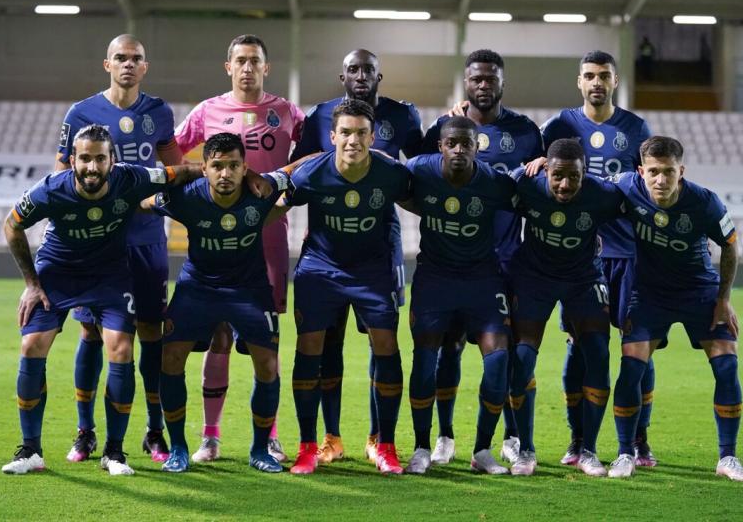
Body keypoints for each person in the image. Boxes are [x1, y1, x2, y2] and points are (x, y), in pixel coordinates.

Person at [1, 125, 200, 475]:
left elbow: (177, 173)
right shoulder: (50, 189)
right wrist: (31, 284)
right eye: (85, 159)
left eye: (99, 159)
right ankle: (30, 450)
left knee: (121, 349)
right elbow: (12, 225)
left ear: (112, 160)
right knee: (32, 345)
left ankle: (114, 452)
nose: (92, 167)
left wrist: (213, 168)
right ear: (72, 161)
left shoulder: (131, 178)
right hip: (58, 271)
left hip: (109, 275)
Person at [174, 34, 303, 463]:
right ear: (228, 66)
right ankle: (210, 437)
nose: (248, 68)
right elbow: (172, 152)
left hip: (268, 237)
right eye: (241, 61)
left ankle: (270, 436)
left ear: (267, 67)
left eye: (255, 61)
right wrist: (199, 183)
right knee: (219, 336)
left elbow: (316, 153)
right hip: (219, 240)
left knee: (266, 341)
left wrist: (275, 179)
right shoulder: (207, 111)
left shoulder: (287, 112)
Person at [291, 48, 423, 464]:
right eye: (353, 69)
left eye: (368, 70)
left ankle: (378, 438)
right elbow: (299, 167)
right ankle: (328, 437)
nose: (361, 75)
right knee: (326, 340)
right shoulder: (320, 115)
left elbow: (423, 164)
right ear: (342, 76)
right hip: (327, 243)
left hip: (380, 241)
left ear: (379, 76)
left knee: (381, 339)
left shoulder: (402, 115)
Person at [56, 34, 182, 464]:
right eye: (120, 58)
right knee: (91, 332)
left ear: (145, 66)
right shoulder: (81, 113)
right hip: (98, 244)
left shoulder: (159, 112)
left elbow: (173, 169)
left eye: (136, 58)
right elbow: (63, 174)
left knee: (151, 332)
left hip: (146, 240)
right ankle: (85, 432)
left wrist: (167, 199)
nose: (128, 64)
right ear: (106, 64)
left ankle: (154, 430)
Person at [608, 136, 743, 482]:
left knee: (727, 366)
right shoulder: (626, 186)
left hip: (699, 291)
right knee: (631, 367)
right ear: (641, 171)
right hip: (649, 293)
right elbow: (585, 186)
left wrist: (723, 299)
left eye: (669, 172)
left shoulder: (704, 202)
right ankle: (625, 453)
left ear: (681, 171)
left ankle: (728, 457)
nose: (661, 180)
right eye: (653, 172)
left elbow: (730, 246)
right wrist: (540, 164)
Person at [423, 49, 543, 465]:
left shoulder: (525, 132)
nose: (484, 85)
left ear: (502, 83)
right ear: (466, 82)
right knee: (449, 348)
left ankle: (511, 435)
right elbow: (421, 178)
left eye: (491, 78)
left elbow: (540, 188)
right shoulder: (444, 127)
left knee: (508, 354)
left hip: (509, 262)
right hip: (454, 263)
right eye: (476, 78)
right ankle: (444, 436)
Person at [535, 50, 655, 467]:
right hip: (579, 254)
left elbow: (651, 183)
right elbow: (533, 164)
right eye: (589, 76)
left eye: (604, 75)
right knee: (578, 345)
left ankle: (639, 439)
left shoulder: (636, 128)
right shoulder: (559, 126)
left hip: (629, 253)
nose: (597, 82)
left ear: (615, 81)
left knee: (637, 346)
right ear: (579, 82)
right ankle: (578, 439)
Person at [144, 133, 284, 474]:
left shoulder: (262, 192)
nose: (225, 173)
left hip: (249, 289)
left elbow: (301, 171)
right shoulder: (186, 197)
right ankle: (179, 447)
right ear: (204, 167)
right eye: (217, 166)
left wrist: (265, 181)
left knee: (268, 365)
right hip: (198, 287)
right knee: (170, 358)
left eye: (234, 166)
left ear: (245, 168)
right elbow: (144, 201)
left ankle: (260, 449)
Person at [403, 116, 517, 475]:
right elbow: (390, 185)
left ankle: (482, 450)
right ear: (440, 146)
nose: (458, 149)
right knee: (425, 361)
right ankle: (422, 447)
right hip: (434, 280)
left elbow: (536, 200)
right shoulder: (419, 170)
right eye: (451, 143)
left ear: (476, 147)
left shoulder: (494, 182)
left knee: (498, 360)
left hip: (482, 280)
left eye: (466, 143)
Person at [507, 139, 626, 477]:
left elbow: (641, 208)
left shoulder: (602, 194)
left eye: (574, 176)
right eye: (557, 175)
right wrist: (524, 168)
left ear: (585, 173)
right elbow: (492, 190)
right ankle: (525, 450)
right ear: (545, 169)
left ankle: (588, 450)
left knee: (598, 354)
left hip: (583, 279)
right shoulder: (526, 183)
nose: (564, 184)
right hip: (534, 278)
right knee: (522, 359)